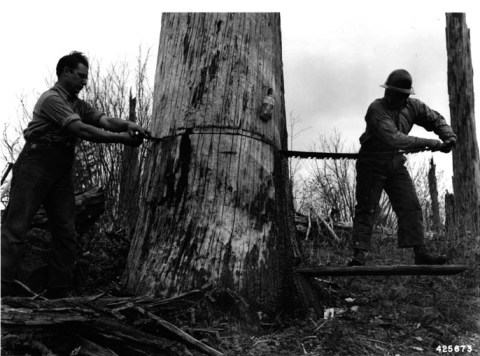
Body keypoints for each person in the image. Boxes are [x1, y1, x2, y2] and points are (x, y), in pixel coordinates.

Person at [1, 51, 150, 297]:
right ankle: (3, 289)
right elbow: (81, 129)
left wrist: (128, 125)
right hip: (35, 162)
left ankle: (59, 291)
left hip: (59, 168)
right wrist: (121, 140)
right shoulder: (51, 99)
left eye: (85, 77)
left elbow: (103, 120)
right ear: (65, 72)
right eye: (80, 76)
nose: (84, 82)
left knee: (66, 230)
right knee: (16, 227)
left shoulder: (77, 103)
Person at [349, 69, 456, 266]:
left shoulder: (412, 106)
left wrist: (448, 136)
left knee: (411, 205)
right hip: (371, 164)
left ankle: (420, 253)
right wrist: (431, 143)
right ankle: (359, 255)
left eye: (400, 95)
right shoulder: (376, 109)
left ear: (405, 96)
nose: (392, 97)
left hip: (395, 163)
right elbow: (396, 139)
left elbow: (434, 118)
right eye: (390, 93)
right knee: (367, 208)